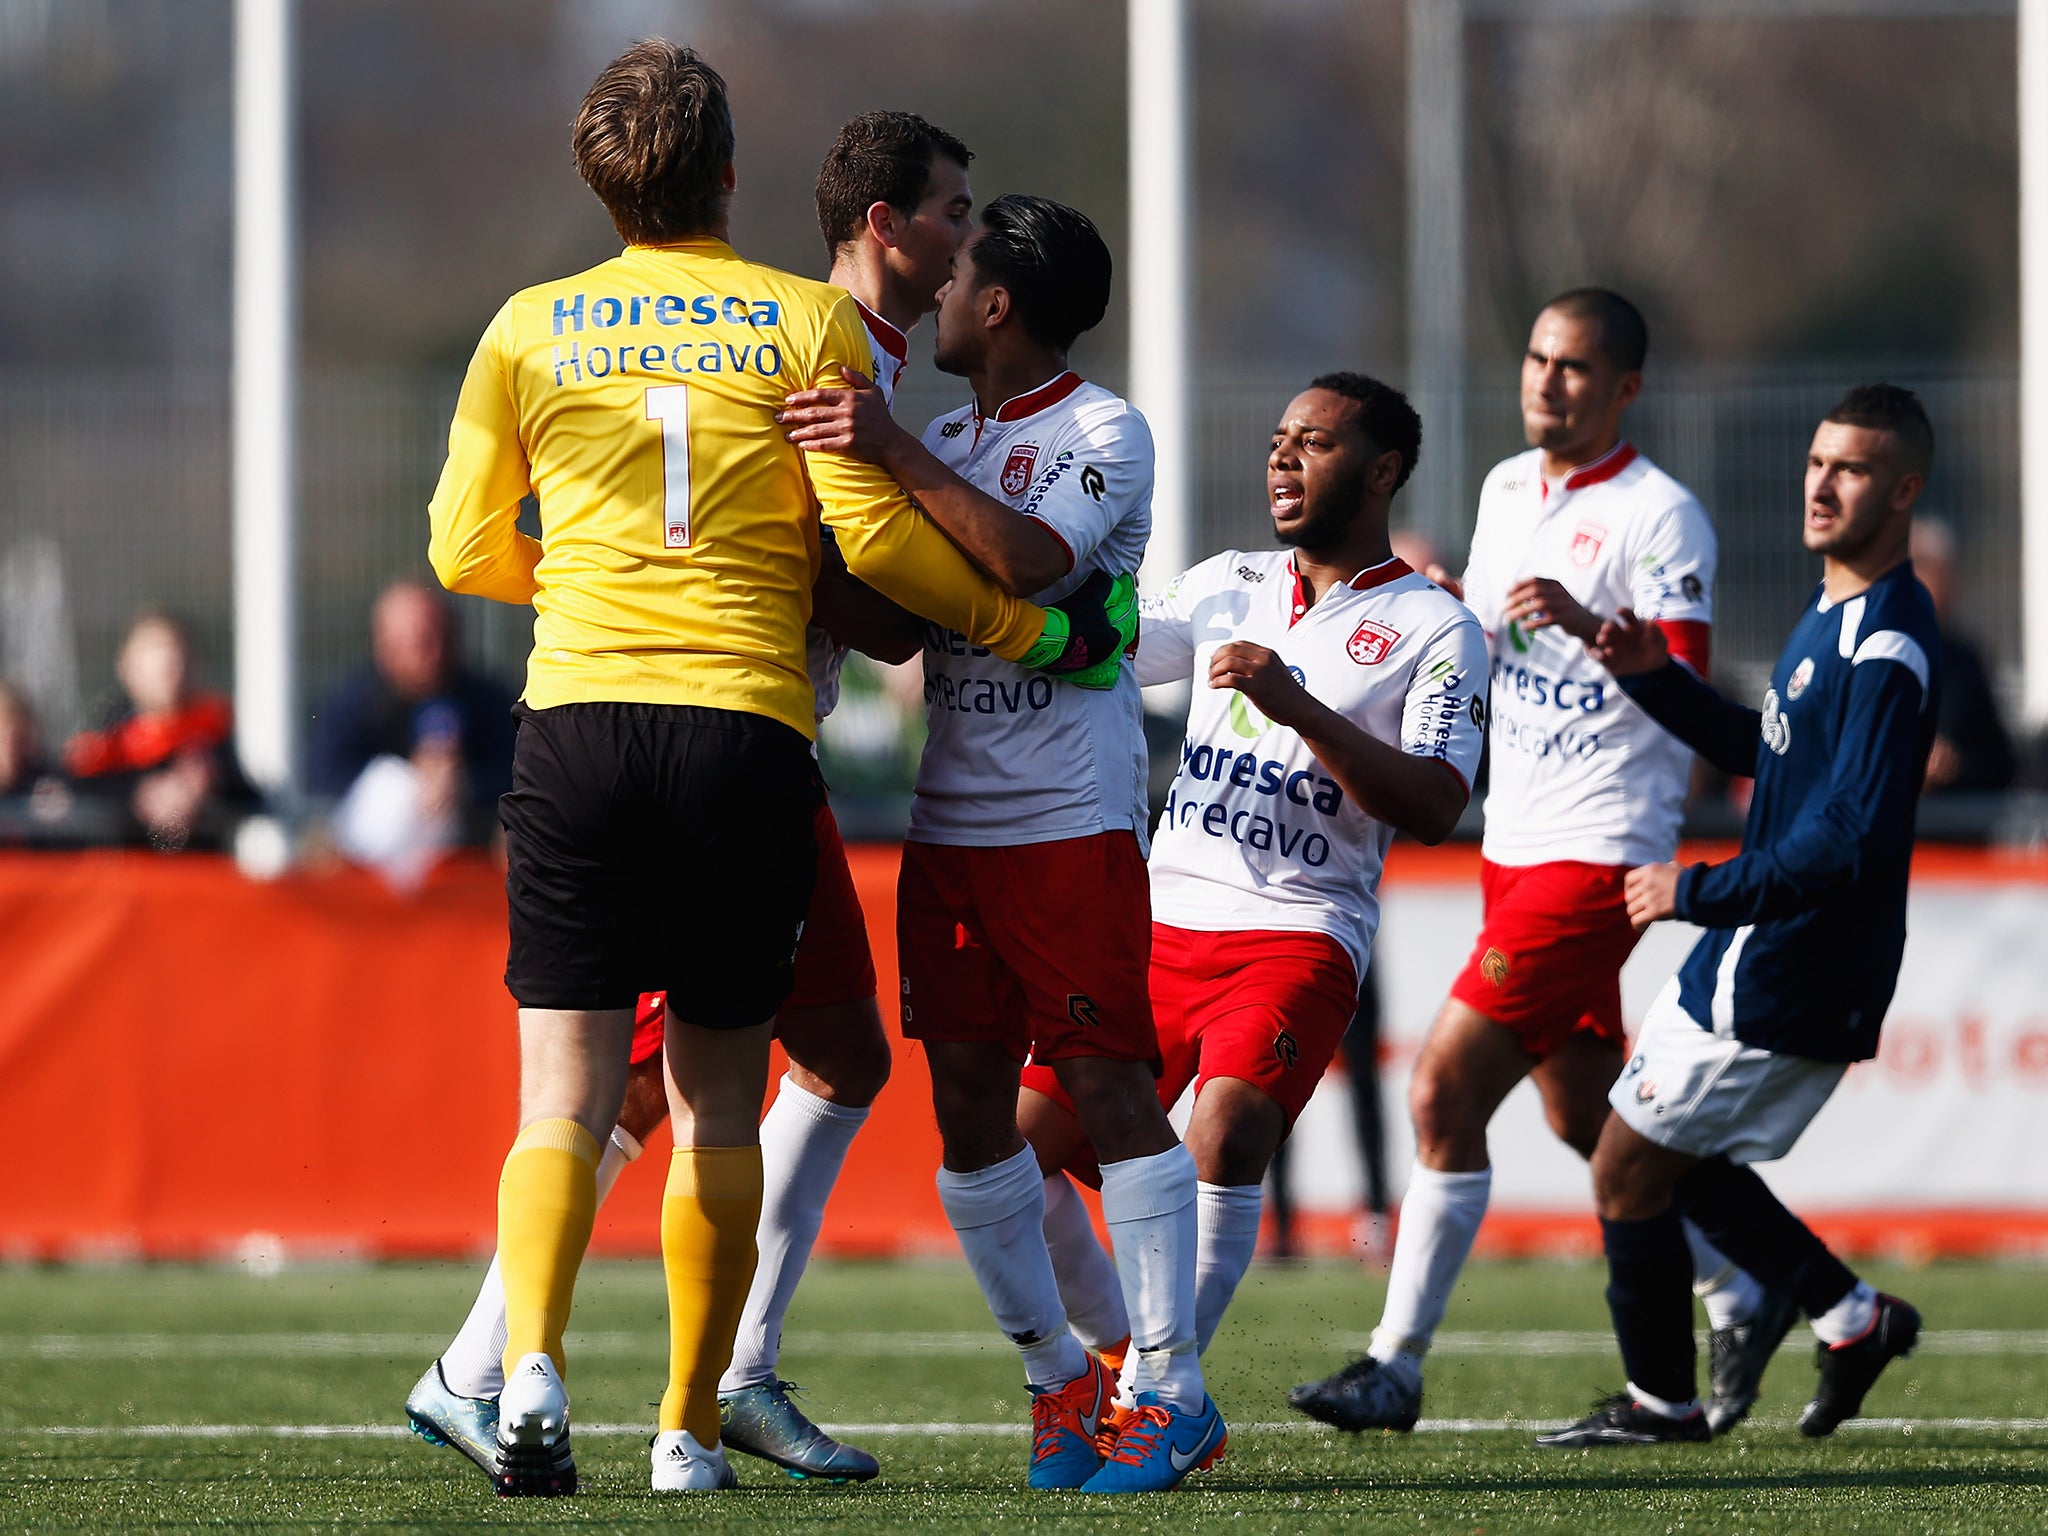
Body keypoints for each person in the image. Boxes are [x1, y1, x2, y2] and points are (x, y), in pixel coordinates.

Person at [424, 45, 1132, 1499]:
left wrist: (592, 582)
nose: (968, 246)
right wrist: (1031, 628)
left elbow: (457, 549)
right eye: (955, 212)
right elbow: (867, 564)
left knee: (594, 1089)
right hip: (743, 731)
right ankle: (690, 1401)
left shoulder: (530, 325)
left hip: (582, 718)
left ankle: (512, 1363)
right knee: (734, 1085)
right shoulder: (807, 329)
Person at [778, 194, 1221, 1493]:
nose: (939, 277)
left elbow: (1028, 564)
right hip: (951, 823)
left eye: (960, 264)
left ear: (998, 305)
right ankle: (1057, 1382)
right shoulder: (948, 431)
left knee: (1105, 1090)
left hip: (1066, 824)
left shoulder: (1102, 430)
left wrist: (895, 459)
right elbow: (897, 619)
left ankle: (1172, 1390)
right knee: (970, 1121)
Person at [1291, 290, 1781, 1439]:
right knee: (1586, 1121)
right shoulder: (1507, 487)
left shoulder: (1662, 517)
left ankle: (1393, 1363)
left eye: (1573, 367)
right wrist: (1446, 604)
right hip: (1512, 838)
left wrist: (1586, 628)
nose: (1544, 381)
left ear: (1624, 389)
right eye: (1535, 359)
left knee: (1439, 1090)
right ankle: (1752, 1283)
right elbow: (1494, 644)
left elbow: (1687, 690)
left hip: (1598, 848)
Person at [1006, 375, 1485, 1418]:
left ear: (1382, 469)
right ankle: (1127, 1348)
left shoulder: (1434, 626)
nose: (1281, 458)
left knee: (1223, 1135)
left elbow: (1437, 801)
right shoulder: (1226, 582)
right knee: (1013, 1145)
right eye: (1277, 439)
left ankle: (1155, 1405)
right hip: (1158, 922)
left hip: (1297, 934)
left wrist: (1296, 704)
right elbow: (1112, 644)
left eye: (1312, 443)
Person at [1535, 383, 1942, 1447]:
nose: (1819, 483)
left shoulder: (1886, 644)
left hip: (1795, 960)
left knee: (1627, 1159)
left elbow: (1847, 836)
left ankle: (1661, 1404)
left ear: (1901, 491)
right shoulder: (1828, 618)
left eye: (1848, 469)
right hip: (1749, 949)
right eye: (1814, 461)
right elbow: (1756, 752)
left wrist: (1696, 890)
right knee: (1653, 1150)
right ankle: (1848, 1317)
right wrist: (1648, 678)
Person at [309, 580, 518, 852]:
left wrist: (462, 785)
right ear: (384, 644)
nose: (433, 654)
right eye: (419, 642)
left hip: (469, 851)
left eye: (440, 637)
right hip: (369, 856)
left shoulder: (488, 701)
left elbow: (516, 772)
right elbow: (323, 779)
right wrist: (409, 787)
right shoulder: (355, 703)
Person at [64, 611, 255, 851]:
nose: (170, 664)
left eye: (178, 654)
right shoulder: (106, 740)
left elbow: (257, 787)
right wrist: (141, 792)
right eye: (154, 652)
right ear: (126, 668)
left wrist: (211, 779)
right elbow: (74, 786)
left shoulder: (224, 733)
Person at [1907, 518, 2015, 796]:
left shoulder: (1965, 662)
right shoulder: (1859, 656)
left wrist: (1953, 766)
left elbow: (2000, 763)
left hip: (1949, 830)